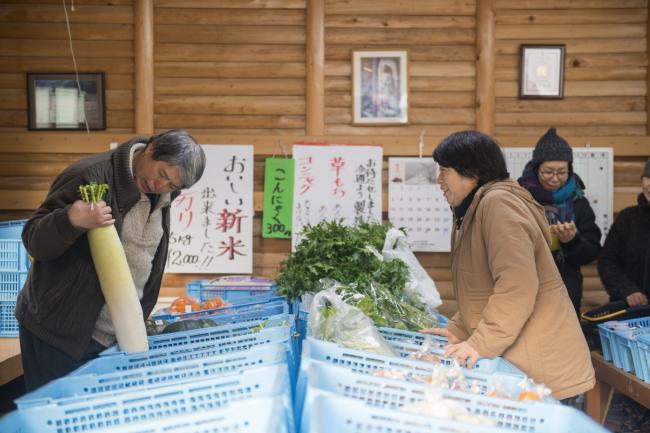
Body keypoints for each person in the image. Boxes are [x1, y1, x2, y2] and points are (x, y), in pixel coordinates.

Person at [16, 129, 206, 391]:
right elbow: (33, 239)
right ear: (151, 149)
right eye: (162, 174)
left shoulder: (164, 195)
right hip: (60, 335)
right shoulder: (89, 175)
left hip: (114, 339)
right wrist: (71, 220)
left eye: (173, 185)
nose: (161, 186)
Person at [422, 131, 594, 404]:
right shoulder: (474, 207)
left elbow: (516, 287)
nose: (438, 179)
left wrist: (480, 343)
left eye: (444, 170)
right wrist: (461, 327)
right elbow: (482, 286)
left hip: (543, 370)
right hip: (524, 363)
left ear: (472, 172)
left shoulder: (498, 204)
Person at [517, 127, 601, 316]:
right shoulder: (519, 197)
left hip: (566, 287)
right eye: (548, 172)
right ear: (536, 168)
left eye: (561, 172)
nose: (555, 179)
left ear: (569, 170)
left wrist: (571, 241)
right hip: (525, 284)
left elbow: (591, 251)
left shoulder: (578, 201)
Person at [598, 158, 650, 306]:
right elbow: (607, 261)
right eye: (647, 178)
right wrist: (627, 290)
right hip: (629, 311)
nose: (649, 185)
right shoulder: (627, 218)